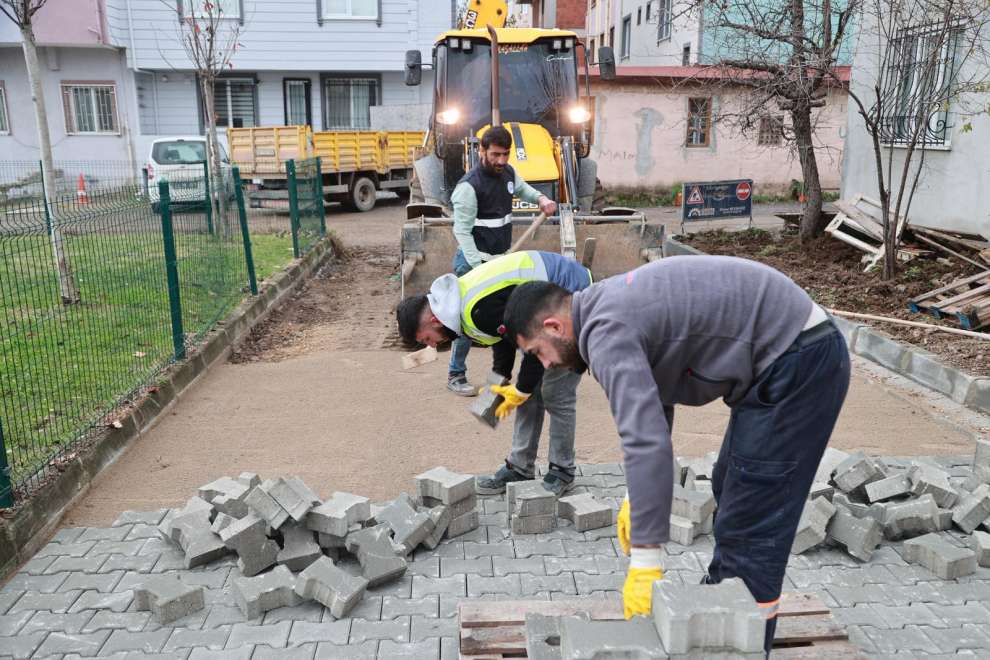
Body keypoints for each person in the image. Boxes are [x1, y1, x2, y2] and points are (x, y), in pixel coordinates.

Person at [501, 256, 850, 654]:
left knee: (752, 522)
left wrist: (646, 561)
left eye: (539, 352)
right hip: (788, 353)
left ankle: (741, 641)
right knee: (729, 485)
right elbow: (655, 408)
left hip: (798, 360)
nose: (545, 365)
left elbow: (643, 437)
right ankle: (716, 613)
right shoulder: (606, 309)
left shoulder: (604, 332)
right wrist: (638, 497)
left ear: (553, 326)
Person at [396, 250, 592, 495]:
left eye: (427, 338)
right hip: (540, 305)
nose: (433, 345)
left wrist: (521, 389)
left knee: (555, 393)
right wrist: (501, 381)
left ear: (434, 320)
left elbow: (533, 339)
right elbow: (504, 336)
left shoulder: (475, 307)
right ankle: (520, 467)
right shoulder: (459, 309)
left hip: (569, 295)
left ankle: (562, 470)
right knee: (528, 392)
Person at [445, 125, 557, 396]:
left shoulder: (507, 173)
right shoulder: (469, 188)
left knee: (503, 319)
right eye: (495, 154)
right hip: (474, 264)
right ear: (481, 151)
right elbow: (461, 232)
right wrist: (479, 269)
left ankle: (500, 376)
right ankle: (455, 374)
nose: (501, 160)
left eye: (506, 154)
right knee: (464, 321)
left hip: (500, 262)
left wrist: (541, 198)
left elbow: (523, 190)